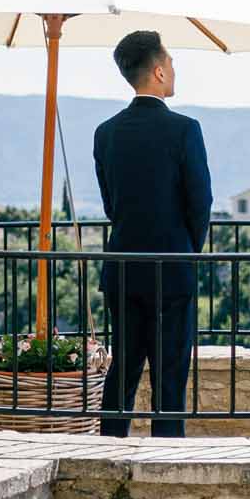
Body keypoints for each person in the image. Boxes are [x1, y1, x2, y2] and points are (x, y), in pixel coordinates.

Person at [94, 31, 212, 436]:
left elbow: (111, 205)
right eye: (173, 62)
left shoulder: (105, 132)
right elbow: (200, 203)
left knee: (123, 369)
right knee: (170, 374)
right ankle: (168, 455)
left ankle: (107, 452)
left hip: (123, 267)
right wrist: (186, 248)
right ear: (159, 71)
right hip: (172, 269)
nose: (175, 69)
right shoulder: (185, 130)